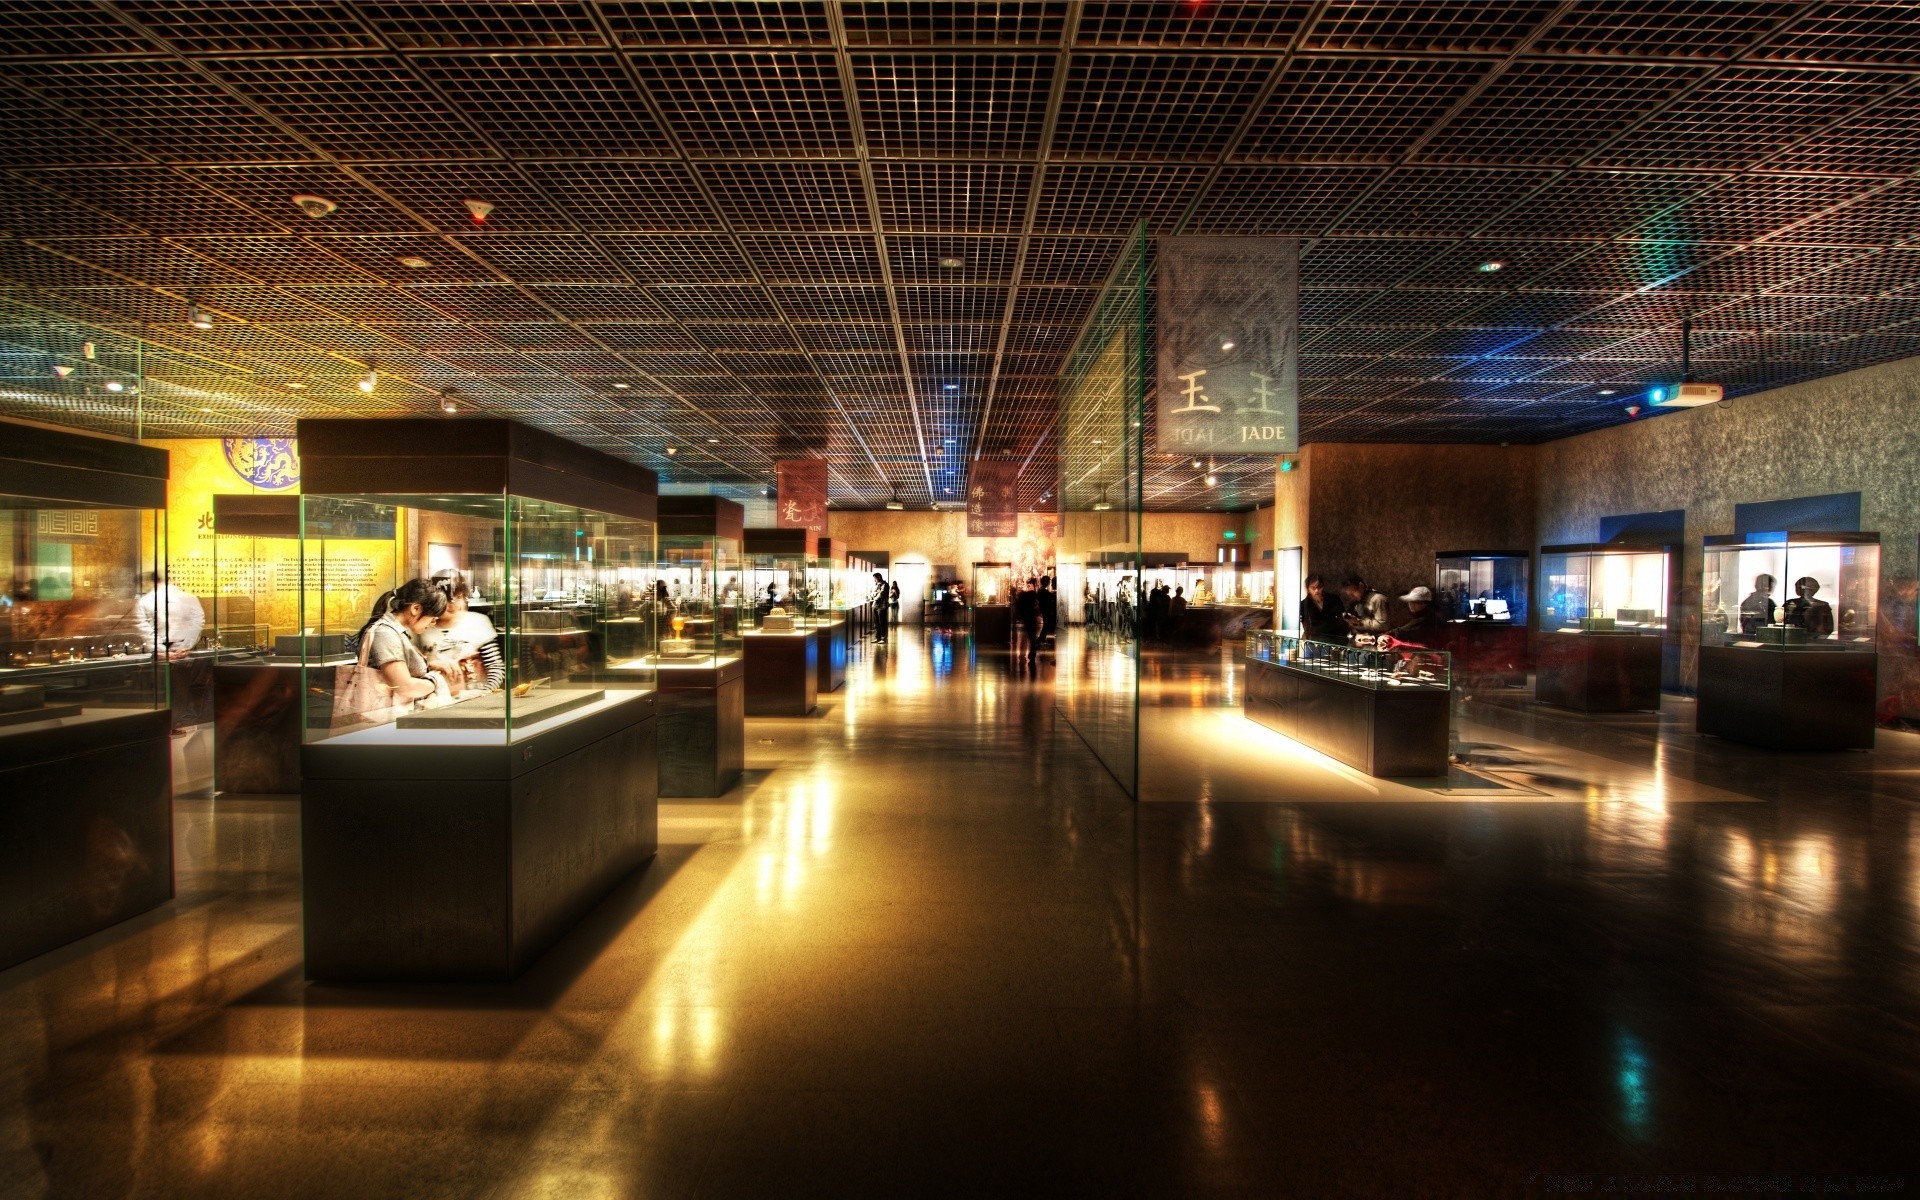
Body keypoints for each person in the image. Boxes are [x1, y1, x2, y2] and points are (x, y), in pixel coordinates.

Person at [364, 578, 450, 710]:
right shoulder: (386, 633)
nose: (433, 624)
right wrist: (436, 681)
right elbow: (404, 687)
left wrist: (429, 666)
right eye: (432, 618)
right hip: (383, 717)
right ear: (416, 609)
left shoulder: (397, 632)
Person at [422, 570, 505, 692]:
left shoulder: (478, 622)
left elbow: (496, 668)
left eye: (459, 597)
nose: (453, 604)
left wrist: (484, 694)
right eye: (446, 599)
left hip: (475, 697)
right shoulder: (422, 627)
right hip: (435, 699)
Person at [134, 571, 204, 659]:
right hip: (183, 650)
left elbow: (144, 629)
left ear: (146, 582)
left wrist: (161, 650)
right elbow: (197, 623)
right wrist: (185, 646)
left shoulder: (144, 601)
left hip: (160, 653)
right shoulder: (190, 598)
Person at [1299, 574, 1347, 643]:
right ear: (1308, 589)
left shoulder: (1334, 599)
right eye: (1313, 588)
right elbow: (1306, 625)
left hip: (1334, 638)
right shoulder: (1304, 604)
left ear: (1323, 586)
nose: (1316, 590)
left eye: (1319, 587)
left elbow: (1342, 618)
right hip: (1314, 639)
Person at [1012, 579, 1040, 667]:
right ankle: (1031, 654)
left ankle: (1024, 654)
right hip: (1031, 620)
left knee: (1026, 639)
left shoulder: (1024, 603)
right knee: (1032, 638)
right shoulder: (1031, 601)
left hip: (1027, 620)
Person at [1037, 575, 1058, 647]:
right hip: (1045, 609)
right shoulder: (1043, 591)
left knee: (1046, 624)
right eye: (1049, 581)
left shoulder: (1042, 590)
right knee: (1046, 624)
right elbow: (1050, 597)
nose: (1050, 583)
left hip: (1044, 609)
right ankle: (1041, 638)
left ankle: (1042, 638)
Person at [870, 572, 890, 644]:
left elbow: (881, 594)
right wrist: (875, 594)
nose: (874, 580)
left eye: (875, 578)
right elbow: (872, 593)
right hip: (875, 605)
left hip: (882, 606)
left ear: (879, 577)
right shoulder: (875, 585)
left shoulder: (885, 585)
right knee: (876, 623)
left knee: (882, 623)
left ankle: (883, 638)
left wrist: (875, 596)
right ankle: (877, 638)